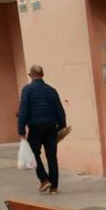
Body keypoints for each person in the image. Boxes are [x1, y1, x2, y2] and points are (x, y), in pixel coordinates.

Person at [16, 65, 67, 194]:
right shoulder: (51, 90)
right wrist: (61, 127)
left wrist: (21, 130)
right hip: (51, 128)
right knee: (52, 157)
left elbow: (23, 111)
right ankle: (54, 187)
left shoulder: (27, 90)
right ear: (42, 75)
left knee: (34, 154)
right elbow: (60, 111)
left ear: (31, 75)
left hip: (35, 128)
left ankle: (44, 179)